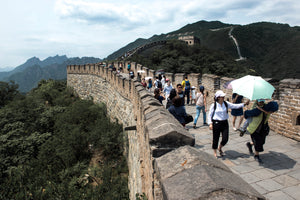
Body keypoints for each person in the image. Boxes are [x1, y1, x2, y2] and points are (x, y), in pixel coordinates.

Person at [208, 90, 249, 158]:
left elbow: (234, 106)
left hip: (224, 122)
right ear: (218, 97)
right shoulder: (214, 105)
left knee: (225, 138)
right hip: (216, 123)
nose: (223, 97)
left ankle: (220, 147)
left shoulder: (226, 103)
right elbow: (210, 115)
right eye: (222, 96)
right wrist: (210, 123)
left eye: (223, 96)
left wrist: (244, 104)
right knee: (215, 138)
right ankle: (215, 152)